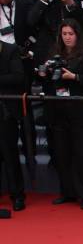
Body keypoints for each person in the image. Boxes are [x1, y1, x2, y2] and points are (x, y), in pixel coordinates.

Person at [39, 19, 83, 209]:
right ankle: (67, 192)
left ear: (77, 35)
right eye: (64, 34)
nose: (67, 37)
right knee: (62, 154)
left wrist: (74, 77)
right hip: (58, 111)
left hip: (81, 112)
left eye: (70, 34)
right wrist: (43, 73)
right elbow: (47, 80)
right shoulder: (54, 53)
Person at [0, 41, 26, 211]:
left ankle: (17, 196)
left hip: (5, 112)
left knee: (10, 155)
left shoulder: (11, 50)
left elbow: (19, 77)